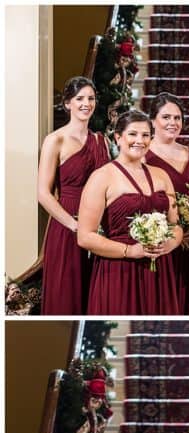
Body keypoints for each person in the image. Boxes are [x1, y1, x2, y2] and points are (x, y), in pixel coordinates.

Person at [79, 109, 182, 315]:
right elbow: (84, 237)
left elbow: (175, 225)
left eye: (145, 135)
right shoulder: (102, 177)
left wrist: (168, 245)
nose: (139, 141)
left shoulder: (161, 175)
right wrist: (130, 251)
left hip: (160, 269)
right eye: (133, 134)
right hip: (119, 271)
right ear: (118, 137)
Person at [37, 76, 110, 314]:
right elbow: (43, 194)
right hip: (66, 226)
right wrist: (74, 225)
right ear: (68, 103)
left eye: (90, 98)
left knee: (95, 293)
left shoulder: (101, 141)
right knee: (66, 294)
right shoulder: (54, 140)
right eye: (79, 99)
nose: (86, 104)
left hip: (98, 226)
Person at [145, 93, 189, 312]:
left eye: (177, 118)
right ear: (153, 120)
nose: (173, 123)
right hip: (163, 244)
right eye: (166, 117)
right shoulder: (143, 156)